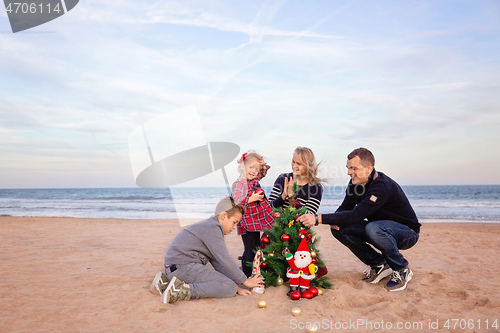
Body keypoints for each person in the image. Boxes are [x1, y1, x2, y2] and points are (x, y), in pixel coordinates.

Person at [298, 148, 420, 292]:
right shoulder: (354, 184)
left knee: (373, 229)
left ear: (369, 168)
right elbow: (345, 207)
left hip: (407, 232)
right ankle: (379, 264)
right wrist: (334, 220)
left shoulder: (381, 187)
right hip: (380, 228)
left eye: (353, 168)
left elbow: (356, 215)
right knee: (340, 228)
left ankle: (401, 268)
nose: (349, 172)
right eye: (348, 168)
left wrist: (318, 218)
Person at [149, 196, 265, 304]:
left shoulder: (210, 226)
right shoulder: (213, 228)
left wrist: (238, 287)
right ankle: (179, 291)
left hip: (175, 268)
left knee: (231, 286)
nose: (234, 227)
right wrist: (245, 281)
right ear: (224, 216)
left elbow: (218, 263)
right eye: (234, 222)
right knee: (229, 288)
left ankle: (165, 282)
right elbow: (224, 258)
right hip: (183, 266)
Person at [231, 151, 275, 277]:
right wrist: (253, 197)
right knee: (249, 249)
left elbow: (263, 171)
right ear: (242, 167)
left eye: (256, 169)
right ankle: (245, 274)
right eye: (251, 167)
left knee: (257, 247)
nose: (254, 171)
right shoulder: (239, 183)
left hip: (256, 221)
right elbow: (237, 201)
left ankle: (255, 271)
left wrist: (262, 164)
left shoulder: (253, 179)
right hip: (246, 221)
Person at [269, 146, 324, 214]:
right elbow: (268, 208)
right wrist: (283, 196)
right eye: (293, 161)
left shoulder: (315, 187)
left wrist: (292, 198)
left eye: (299, 164)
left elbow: (309, 216)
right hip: (276, 223)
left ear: (308, 165)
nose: (294, 166)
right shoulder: (282, 178)